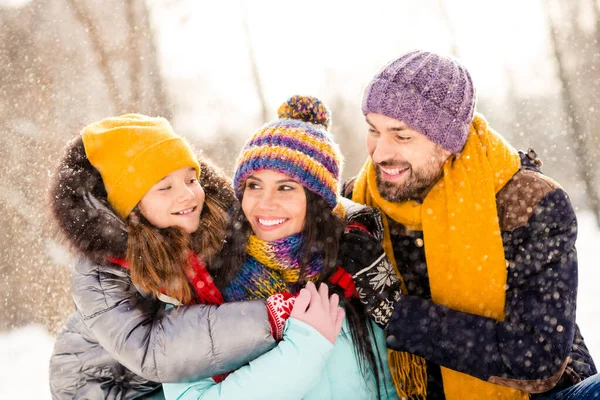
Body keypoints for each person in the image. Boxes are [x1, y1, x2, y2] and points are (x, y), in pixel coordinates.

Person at [341, 50, 599, 399]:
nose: (380, 152)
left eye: (401, 136)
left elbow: (538, 356)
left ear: (447, 143)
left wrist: (400, 314)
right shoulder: (359, 201)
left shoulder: (529, 204)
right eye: (374, 130)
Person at [48, 114, 339, 399]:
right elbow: (151, 349)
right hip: (109, 387)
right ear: (131, 206)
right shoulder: (101, 275)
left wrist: (347, 220)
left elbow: (283, 216)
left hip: (175, 372)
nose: (187, 195)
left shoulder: (207, 221)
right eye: (165, 187)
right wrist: (269, 316)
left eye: (190, 179)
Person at [163, 95, 400, 400]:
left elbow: (390, 384)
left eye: (286, 187)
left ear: (318, 201)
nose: (265, 203)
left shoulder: (358, 267)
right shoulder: (204, 277)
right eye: (254, 185)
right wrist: (305, 346)